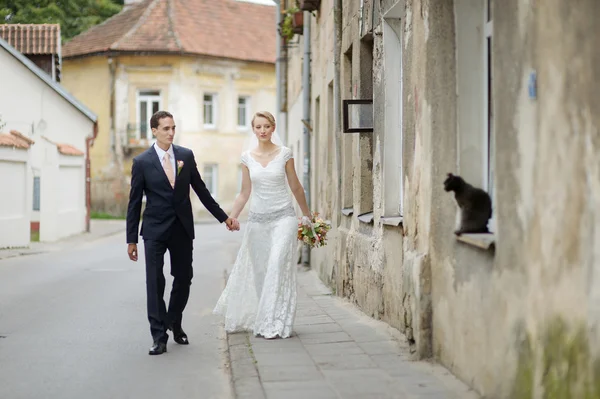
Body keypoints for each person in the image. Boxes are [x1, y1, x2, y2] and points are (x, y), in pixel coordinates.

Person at [126, 110, 240, 355]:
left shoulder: (185, 157)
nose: (170, 132)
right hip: (155, 229)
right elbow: (134, 202)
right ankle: (159, 337)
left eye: (173, 128)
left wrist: (224, 218)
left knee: (184, 277)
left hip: (181, 228)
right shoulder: (142, 162)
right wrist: (131, 239)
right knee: (155, 282)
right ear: (154, 130)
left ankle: (174, 321)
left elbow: (201, 190)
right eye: (165, 128)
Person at [213, 111, 312, 339]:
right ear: (253, 130)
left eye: (266, 126)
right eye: (258, 127)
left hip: (284, 219)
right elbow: (244, 192)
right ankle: (263, 313)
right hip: (258, 222)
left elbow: (296, 187)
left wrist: (307, 216)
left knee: (277, 265)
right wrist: (232, 216)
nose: (263, 130)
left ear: (273, 127)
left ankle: (275, 321)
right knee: (260, 272)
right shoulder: (247, 158)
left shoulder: (285, 154)